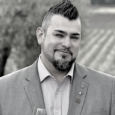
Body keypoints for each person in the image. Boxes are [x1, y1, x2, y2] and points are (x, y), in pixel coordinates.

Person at [0, 0, 115, 115]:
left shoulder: (109, 89)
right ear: (40, 36)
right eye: (59, 35)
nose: (67, 44)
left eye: (74, 37)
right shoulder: (4, 89)